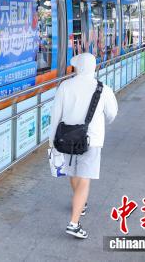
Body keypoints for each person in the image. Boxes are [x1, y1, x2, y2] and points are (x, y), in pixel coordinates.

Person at [49, 53, 118, 239]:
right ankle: (74, 223)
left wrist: (52, 141)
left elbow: (55, 114)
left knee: (72, 173)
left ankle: (81, 202)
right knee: (84, 179)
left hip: (66, 138)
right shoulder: (103, 89)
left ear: (78, 67)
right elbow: (112, 114)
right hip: (91, 140)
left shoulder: (65, 86)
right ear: (93, 67)